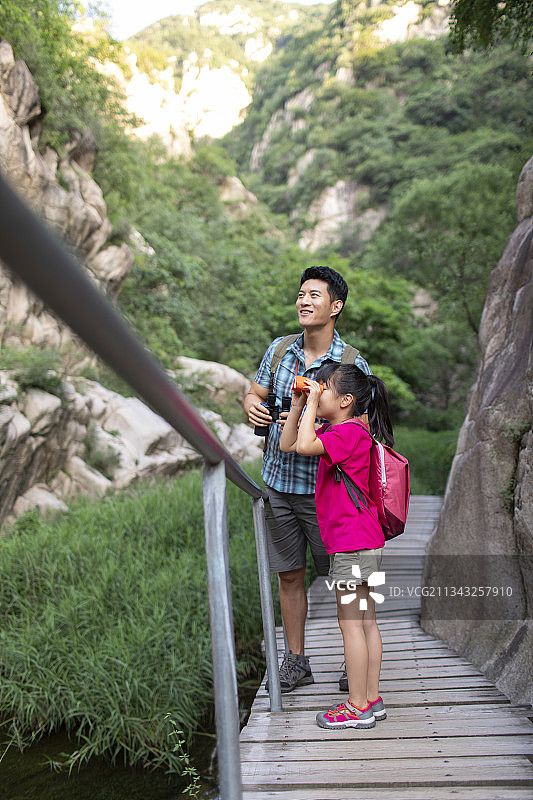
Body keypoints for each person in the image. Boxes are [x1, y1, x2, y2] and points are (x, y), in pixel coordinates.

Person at [244, 266, 371, 692]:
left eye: (314, 295)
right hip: (279, 484)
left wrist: (307, 420)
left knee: (342, 577)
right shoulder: (280, 351)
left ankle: (353, 662)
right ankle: (296, 660)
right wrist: (251, 406)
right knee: (289, 575)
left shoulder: (352, 364)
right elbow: (255, 392)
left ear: (335, 306)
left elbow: (363, 433)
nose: (303, 301)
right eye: (300, 294)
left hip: (329, 496)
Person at [279, 362, 392, 728]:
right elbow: (288, 444)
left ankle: (357, 706)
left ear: (345, 400)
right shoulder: (348, 429)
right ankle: (371, 698)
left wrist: (310, 402)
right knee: (366, 622)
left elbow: (306, 444)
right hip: (364, 541)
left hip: (352, 544)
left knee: (352, 625)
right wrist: (301, 404)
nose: (318, 391)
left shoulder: (348, 435)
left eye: (323, 389)